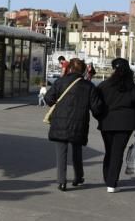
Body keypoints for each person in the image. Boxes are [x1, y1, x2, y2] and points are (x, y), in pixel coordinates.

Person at [44, 58, 104, 191]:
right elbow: (96, 107)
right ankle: (78, 177)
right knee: (77, 150)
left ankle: (62, 181)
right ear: (83, 71)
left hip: (60, 121)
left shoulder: (60, 82)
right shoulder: (89, 86)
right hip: (79, 122)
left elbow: (48, 98)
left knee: (61, 151)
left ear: (70, 68)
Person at [96, 58, 135, 193]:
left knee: (109, 151)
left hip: (107, 122)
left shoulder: (104, 86)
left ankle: (108, 177)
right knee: (117, 152)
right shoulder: (133, 88)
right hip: (126, 123)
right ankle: (111, 182)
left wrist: (100, 118)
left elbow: (96, 105)